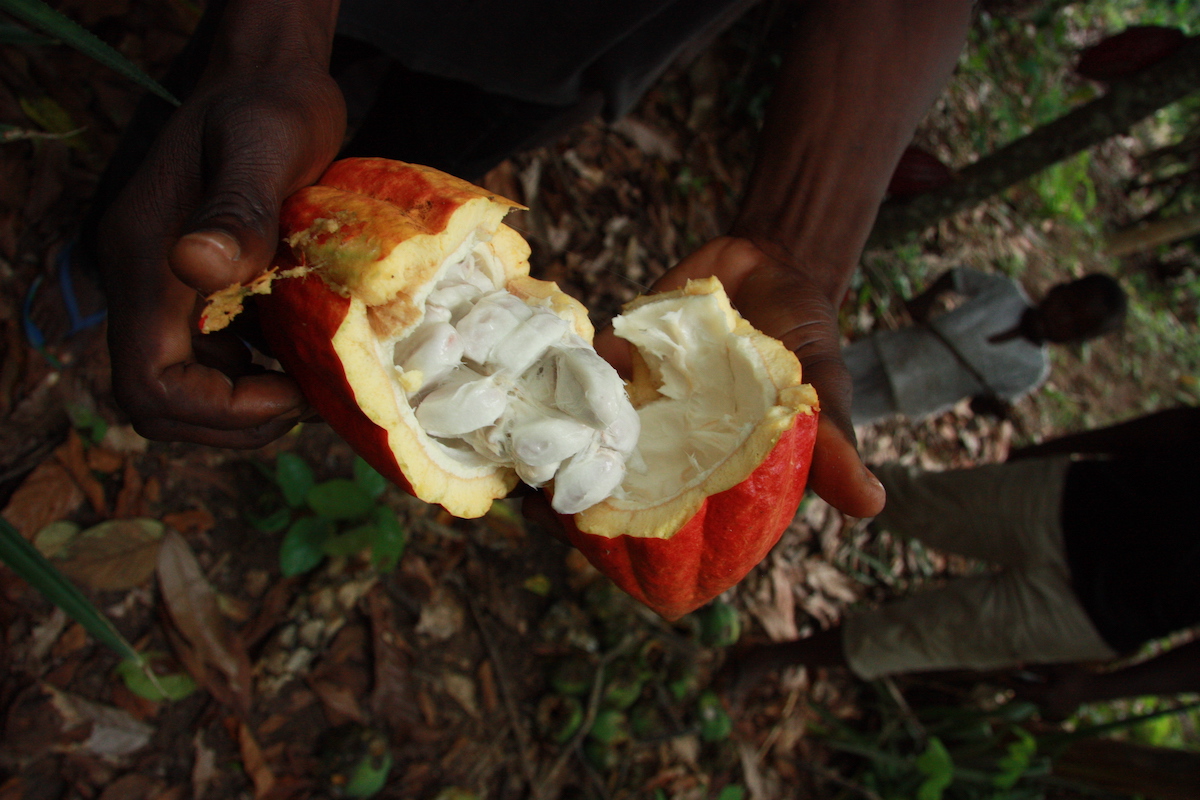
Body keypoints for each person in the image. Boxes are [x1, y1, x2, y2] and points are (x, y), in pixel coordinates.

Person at [84, 0, 982, 520]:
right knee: (225, 156)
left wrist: (796, 242)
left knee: (349, 182)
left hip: (569, 53)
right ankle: (96, 266)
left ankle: (168, 278)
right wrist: (271, 42)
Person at [718, 405, 1200, 719]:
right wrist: (1049, 449)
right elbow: (1183, 427)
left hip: (1101, 615)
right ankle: (759, 459)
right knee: (913, 500)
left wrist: (1094, 688)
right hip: (1076, 504)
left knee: (923, 638)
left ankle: (770, 657)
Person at [844, 267, 1127, 427]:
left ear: (1075, 342)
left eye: (1075, 327)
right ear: (1058, 289)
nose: (1061, 320)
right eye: (1067, 305)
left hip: (915, 393)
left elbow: (981, 403)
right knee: (828, 370)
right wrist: (926, 299)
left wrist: (991, 406)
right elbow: (956, 277)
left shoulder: (1032, 370)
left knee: (846, 417)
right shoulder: (1006, 293)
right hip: (899, 348)